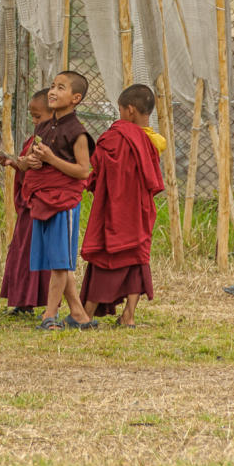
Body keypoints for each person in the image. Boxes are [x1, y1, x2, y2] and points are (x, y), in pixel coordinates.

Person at [80, 84, 165, 327]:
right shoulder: (151, 141)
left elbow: (97, 165)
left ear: (129, 110)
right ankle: (129, 315)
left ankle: (87, 312)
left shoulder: (116, 136)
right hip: (139, 209)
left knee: (108, 253)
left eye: (119, 110)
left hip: (114, 209)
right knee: (137, 256)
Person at [20, 70, 96, 331]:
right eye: (52, 86)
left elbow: (84, 171)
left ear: (75, 98)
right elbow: (30, 158)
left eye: (61, 88)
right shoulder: (44, 126)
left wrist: (52, 160)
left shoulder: (78, 133)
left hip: (64, 203)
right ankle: (78, 314)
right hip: (43, 199)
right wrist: (25, 161)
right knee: (56, 259)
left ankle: (49, 315)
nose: (52, 91)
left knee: (61, 262)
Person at [0, 89, 53, 315]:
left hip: (44, 205)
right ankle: (23, 302)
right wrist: (13, 162)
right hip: (28, 205)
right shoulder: (37, 138)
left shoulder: (54, 138)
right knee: (23, 251)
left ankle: (41, 302)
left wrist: (29, 163)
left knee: (36, 252)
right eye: (32, 117)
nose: (35, 122)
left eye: (38, 117)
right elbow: (25, 165)